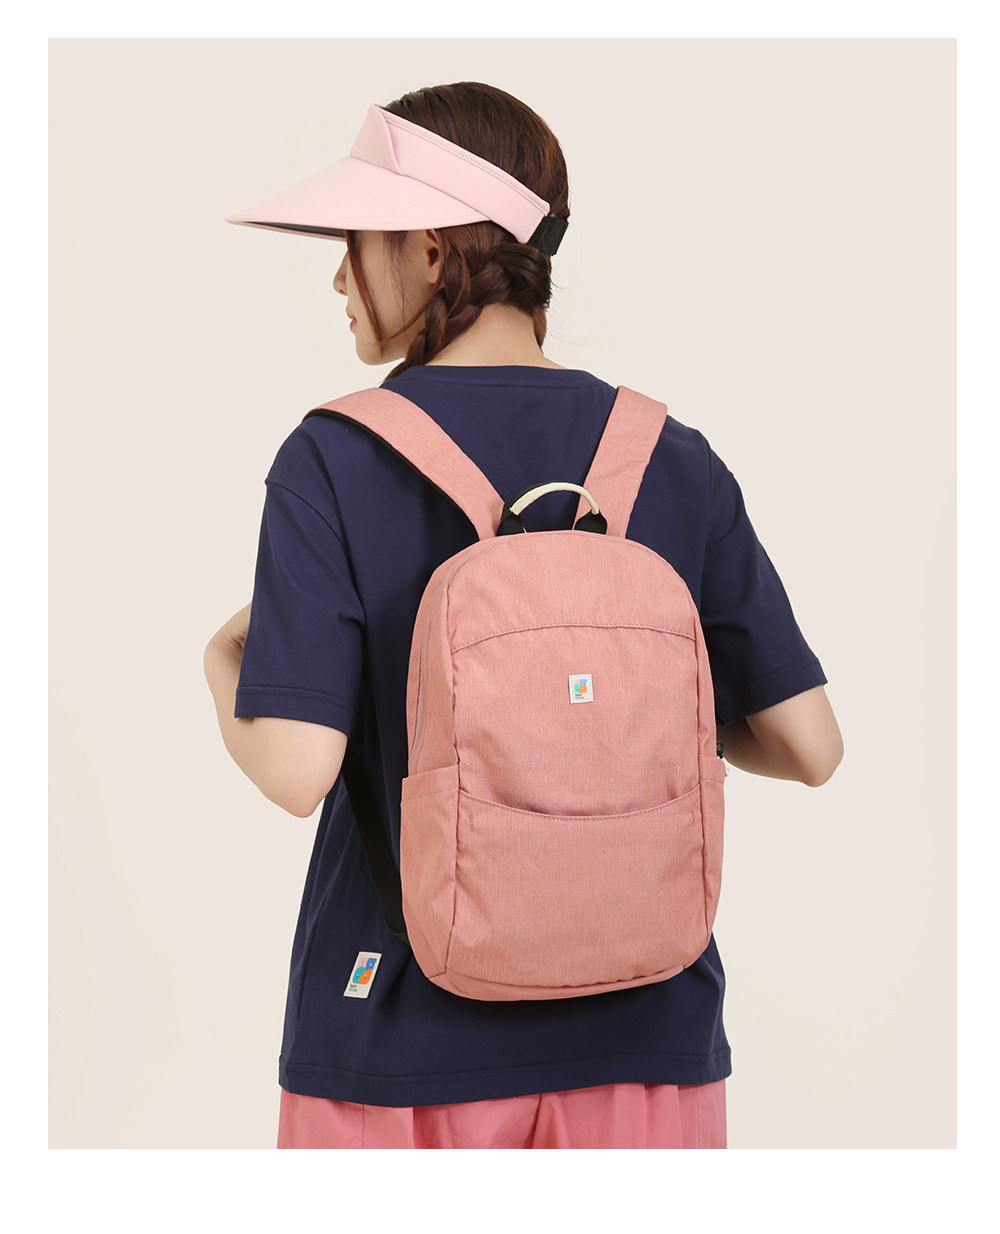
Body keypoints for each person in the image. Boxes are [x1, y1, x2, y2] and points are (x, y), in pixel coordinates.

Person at [203, 81, 844, 1150]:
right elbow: (809, 745)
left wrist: (223, 661)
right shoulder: (670, 456)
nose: (338, 276)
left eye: (354, 241)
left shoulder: (335, 457)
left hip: (399, 1048)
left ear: (431, 250)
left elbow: (297, 769)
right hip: (649, 1045)